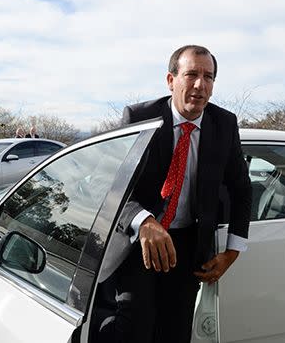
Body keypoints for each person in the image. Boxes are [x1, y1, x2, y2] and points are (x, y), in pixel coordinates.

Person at [95, 45, 251, 343]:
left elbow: (241, 188)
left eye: (208, 77)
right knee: (133, 328)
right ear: (171, 80)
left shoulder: (224, 124)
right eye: (191, 74)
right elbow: (107, 181)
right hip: (138, 242)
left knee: (176, 332)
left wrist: (232, 251)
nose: (200, 85)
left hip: (188, 247)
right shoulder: (140, 117)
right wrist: (143, 220)